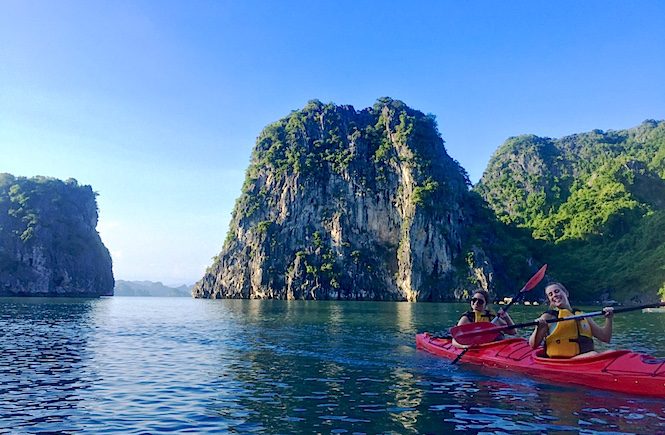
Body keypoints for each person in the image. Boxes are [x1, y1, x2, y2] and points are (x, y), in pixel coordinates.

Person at [529, 282, 614, 359]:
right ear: (550, 300)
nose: (554, 295)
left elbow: (605, 337)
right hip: (563, 361)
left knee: (612, 352)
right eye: (550, 294)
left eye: (557, 291)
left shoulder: (583, 315)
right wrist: (538, 328)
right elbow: (533, 345)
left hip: (585, 359)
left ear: (566, 293)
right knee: (593, 355)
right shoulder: (548, 317)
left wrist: (609, 318)